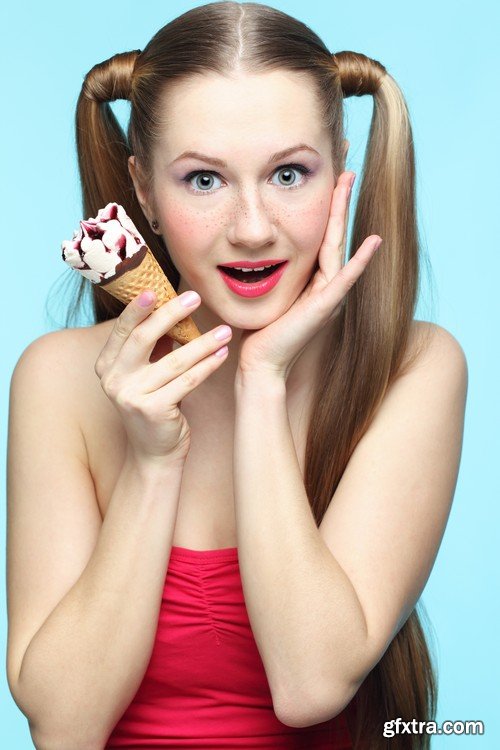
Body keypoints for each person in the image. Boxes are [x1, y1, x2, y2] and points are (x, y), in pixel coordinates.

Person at [6, 2, 468, 748]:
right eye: (203, 181)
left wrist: (261, 382)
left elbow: (311, 683)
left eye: (289, 173)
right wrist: (153, 464)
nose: (253, 226)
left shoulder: (412, 368)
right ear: (145, 191)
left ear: (340, 170)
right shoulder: (57, 383)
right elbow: (62, 728)